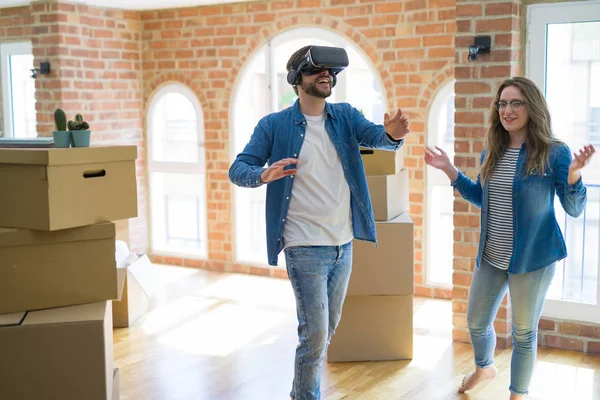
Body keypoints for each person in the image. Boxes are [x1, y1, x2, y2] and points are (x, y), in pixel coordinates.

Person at [229, 45, 410, 400]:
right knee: (313, 336)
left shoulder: (345, 116)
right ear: (298, 78)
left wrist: (392, 135)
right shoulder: (274, 125)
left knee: (325, 331)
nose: (326, 74)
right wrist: (264, 175)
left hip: (343, 243)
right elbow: (239, 168)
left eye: (330, 70)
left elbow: (378, 139)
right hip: (304, 244)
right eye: (317, 70)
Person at [424, 76, 595, 399]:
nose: (508, 110)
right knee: (475, 322)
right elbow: (481, 197)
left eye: (516, 102)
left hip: (533, 258)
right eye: (503, 103)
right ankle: (484, 366)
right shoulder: (493, 149)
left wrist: (574, 174)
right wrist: (449, 169)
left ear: (532, 107)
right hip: (492, 255)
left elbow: (573, 209)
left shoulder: (554, 152)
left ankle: (518, 394)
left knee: (523, 332)